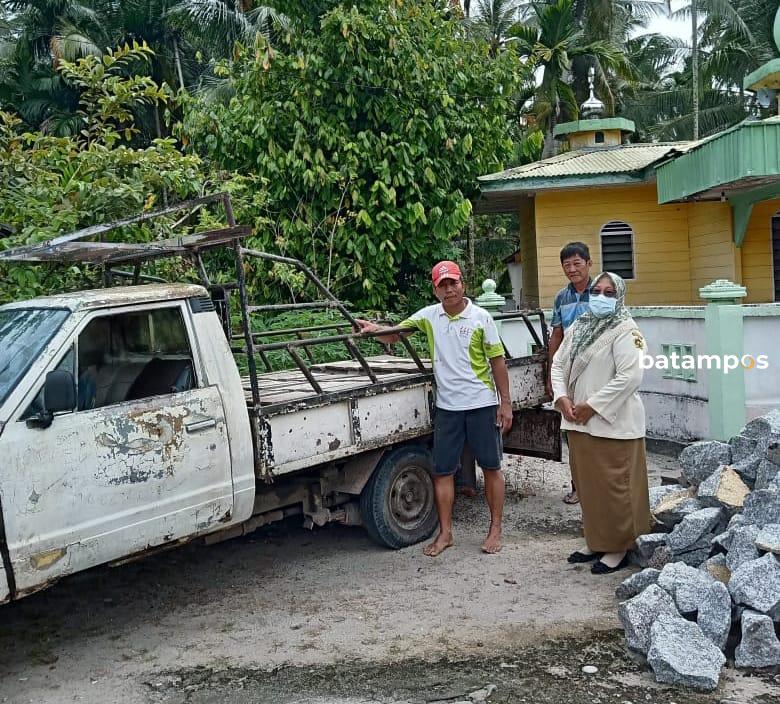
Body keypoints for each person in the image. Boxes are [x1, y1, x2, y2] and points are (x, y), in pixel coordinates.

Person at [356, 261, 513, 557]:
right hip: (448, 408)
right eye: (443, 285)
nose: (449, 289)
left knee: (491, 468)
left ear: (463, 284)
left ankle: (495, 529)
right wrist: (373, 331)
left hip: (481, 403)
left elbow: (497, 361)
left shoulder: (481, 318)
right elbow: (395, 334)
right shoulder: (429, 316)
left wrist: (505, 403)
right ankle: (446, 533)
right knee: (442, 472)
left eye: (453, 283)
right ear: (435, 289)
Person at [551, 271, 652, 574]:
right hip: (577, 421)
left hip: (614, 425)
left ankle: (618, 546)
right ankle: (596, 541)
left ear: (619, 297)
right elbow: (558, 364)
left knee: (615, 489)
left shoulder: (626, 330)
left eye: (609, 293)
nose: (601, 297)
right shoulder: (581, 325)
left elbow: (631, 376)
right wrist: (561, 397)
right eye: (597, 291)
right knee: (589, 486)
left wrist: (593, 406)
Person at [547, 242, 593, 505]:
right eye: (567, 265)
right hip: (569, 371)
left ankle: (598, 487)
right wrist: (551, 374)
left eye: (577, 263)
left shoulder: (602, 293)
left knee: (598, 429)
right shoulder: (561, 297)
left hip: (597, 371)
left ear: (589, 263)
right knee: (572, 431)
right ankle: (578, 487)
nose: (572, 269)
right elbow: (557, 334)